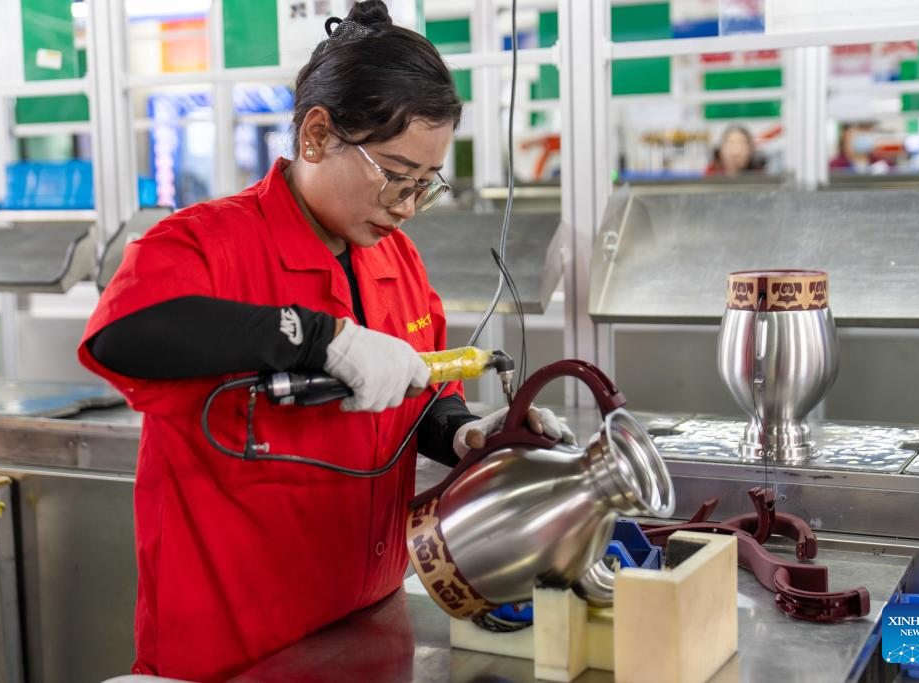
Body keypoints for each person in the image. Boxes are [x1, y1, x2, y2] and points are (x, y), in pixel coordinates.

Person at [78, 2, 572, 680]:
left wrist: (463, 433)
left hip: (364, 625)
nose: (406, 205)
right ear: (316, 136)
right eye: (394, 175)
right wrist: (315, 337)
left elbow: (421, 394)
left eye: (424, 184)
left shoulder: (396, 259)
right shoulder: (210, 243)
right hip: (232, 649)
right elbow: (121, 334)